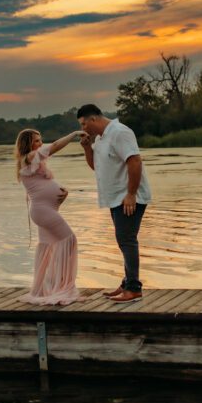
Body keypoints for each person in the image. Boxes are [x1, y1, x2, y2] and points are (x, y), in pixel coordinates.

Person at [76, 104, 152, 303]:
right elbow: (96, 167)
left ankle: (134, 289)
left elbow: (135, 161)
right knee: (123, 240)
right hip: (115, 198)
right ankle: (127, 283)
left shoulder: (120, 132)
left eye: (84, 124)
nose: (83, 129)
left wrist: (131, 193)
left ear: (93, 119)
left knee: (126, 240)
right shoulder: (100, 139)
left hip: (127, 197)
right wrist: (87, 148)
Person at [15, 128, 86, 305]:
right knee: (69, 240)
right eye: (36, 141)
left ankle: (46, 288)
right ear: (28, 144)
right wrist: (74, 134)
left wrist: (63, 192)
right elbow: (54, 146)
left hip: (45, 210)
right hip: (43, 211)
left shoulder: (34, 163)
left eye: (40, 140)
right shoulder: (30, 157)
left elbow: (43, 187)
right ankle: (63, 287)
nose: (40, 144)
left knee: (49, 248)